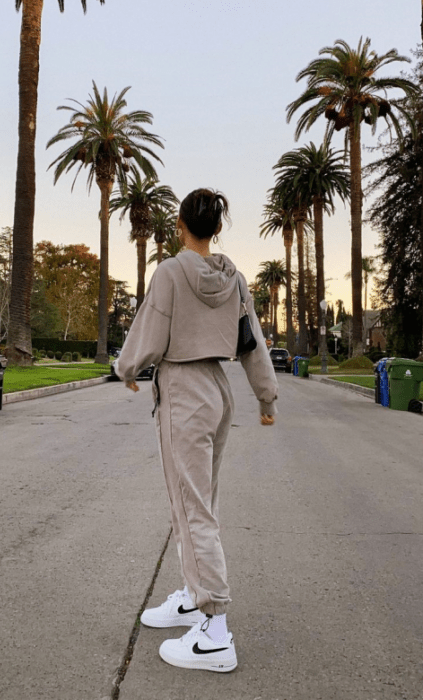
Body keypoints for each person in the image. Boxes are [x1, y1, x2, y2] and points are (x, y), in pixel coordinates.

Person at [114, 188, 278, 673]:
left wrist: (126, 368)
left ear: (180, 226)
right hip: (217, 392)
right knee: (197, 502)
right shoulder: (235, 278)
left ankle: (214, 631)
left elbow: (149, 330)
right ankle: (192, 595)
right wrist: (266, 397)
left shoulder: (169, 272)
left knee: (194, 508)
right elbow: (253, 343)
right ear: (217, 228)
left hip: (184, 393)